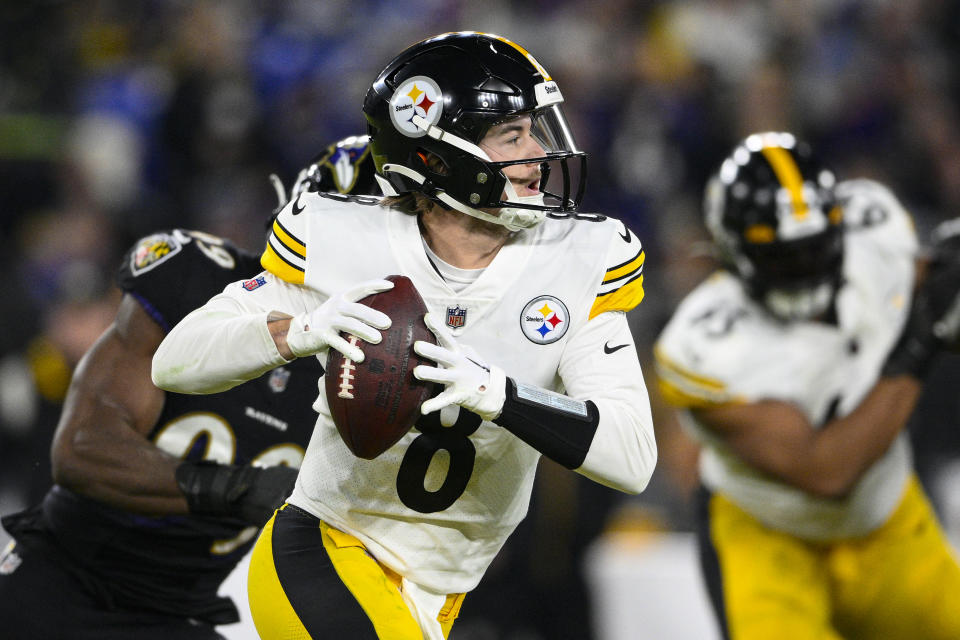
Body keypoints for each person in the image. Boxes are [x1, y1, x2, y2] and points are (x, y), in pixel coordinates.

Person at [152, 31, 657, 640]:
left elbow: (632, 457)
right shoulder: (343, 239)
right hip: (326, 550)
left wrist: (499, 395)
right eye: (512, 136)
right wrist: (302, 330)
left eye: (535, 130)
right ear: (440, 160)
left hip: (438, 590)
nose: (537, 153)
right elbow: (173, 363)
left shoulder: (579, 258)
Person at [0, 137, 377, 640]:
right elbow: (82, 451)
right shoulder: (197, 282)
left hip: (182, 612)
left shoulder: (383, 365)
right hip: (64, 576)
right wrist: (236, 488)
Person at [654, 131, 960, 639]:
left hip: (883, 518)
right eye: (783, 258)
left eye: (815, 250)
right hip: (768, 537)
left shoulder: (875, 231)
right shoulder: (702, 346)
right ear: (733, 253)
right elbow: (827, 471)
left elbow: (933, 294)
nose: (804, 271)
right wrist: (921, 341)